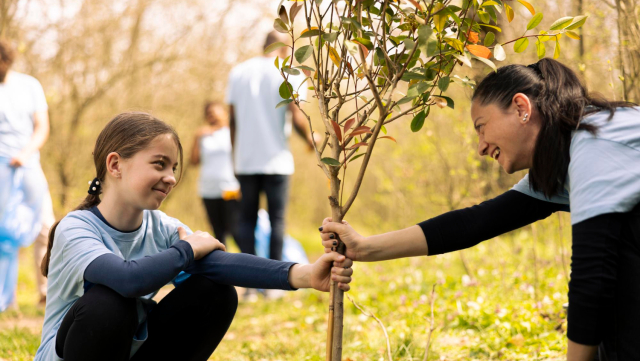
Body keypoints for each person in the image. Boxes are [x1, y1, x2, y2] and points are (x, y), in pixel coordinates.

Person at [319, 58, 639, 361]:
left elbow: (592, 278)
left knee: (613, 261)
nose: (481, 146)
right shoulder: (569, 154)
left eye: (482, 127)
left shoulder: (595, 147)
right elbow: (475, 223)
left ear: (521, 108)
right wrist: (363, 248)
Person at [34, 112, 353, 361]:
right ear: (116, 165)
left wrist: (305, 274)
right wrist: (186, 249)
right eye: (159, 164)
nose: (171, 178)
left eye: (173, 167)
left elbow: (220, 265)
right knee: (110, 302)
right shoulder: (76, 228)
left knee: (216, 292)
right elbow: (128, 279)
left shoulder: (160, 227)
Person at [227, 31, 317, 263]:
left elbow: (233, 121)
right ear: (285, 47)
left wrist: (234, 159)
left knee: (247, 220)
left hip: (245, 161)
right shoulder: (289, 72)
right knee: (277, 220)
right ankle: (275, 281)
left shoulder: (238, 72)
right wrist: (310, 138)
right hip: (277, 161)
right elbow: (296, 116)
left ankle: (249, 280)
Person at [0, 38, 54, 309]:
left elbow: (42, 126)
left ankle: (46, 291)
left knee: (46, 227)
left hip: (29, 165)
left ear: (7, 61)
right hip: (0, 169)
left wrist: (26, 152)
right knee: (3, 233)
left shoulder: (29, 85)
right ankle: (5, 299)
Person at [190, 101, 240, 246]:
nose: (212, 116)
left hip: (231, 188)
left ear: (224, 113)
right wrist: (197, 137)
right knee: (218, 233)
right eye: (208, 114)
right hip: (208, 189)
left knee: (236, 231)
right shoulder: (203, 135)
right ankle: (224, 266)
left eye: (215, 112)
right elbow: (194, 161)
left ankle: (251, 263)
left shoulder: (232, 132)